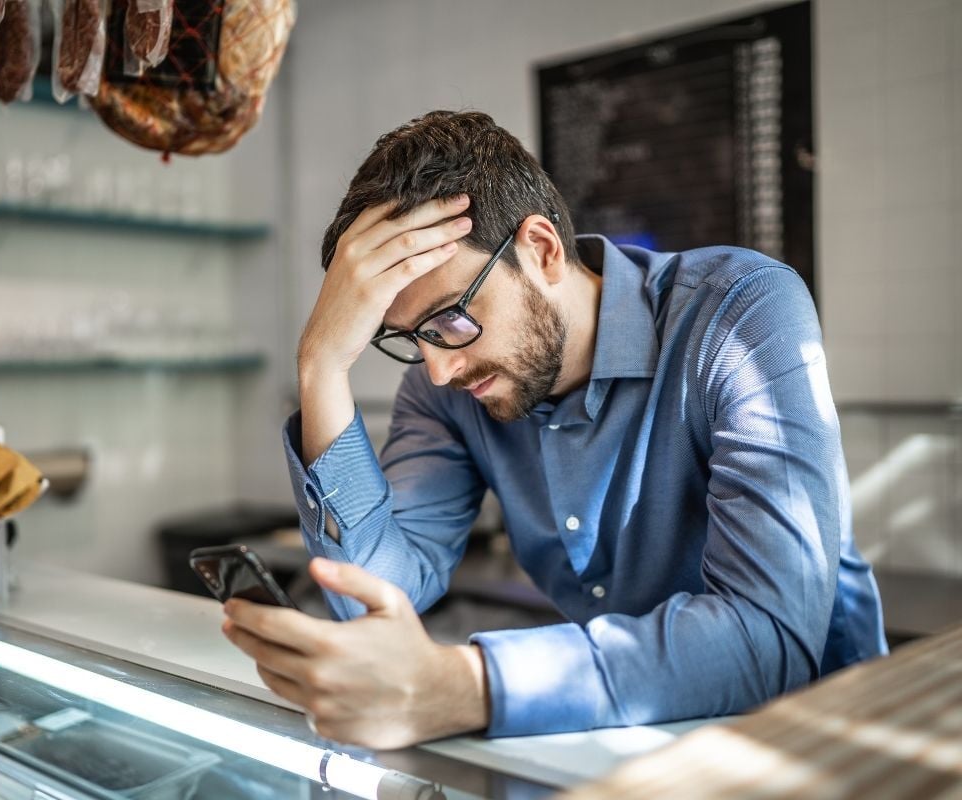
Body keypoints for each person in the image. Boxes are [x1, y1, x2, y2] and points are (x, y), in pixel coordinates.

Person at [220, 110, 887, 749]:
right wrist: (322, 366)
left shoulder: (741, 312)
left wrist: (463, 687)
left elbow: (768, 638)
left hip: (825, 747)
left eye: (451, 319)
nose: (440, 368)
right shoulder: (443, 386)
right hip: (632, 749)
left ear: (540, 251)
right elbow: (373, 595)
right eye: (408, 337)